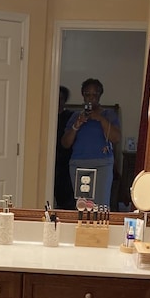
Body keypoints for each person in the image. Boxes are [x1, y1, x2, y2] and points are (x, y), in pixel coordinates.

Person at [61, 77, 121, 207]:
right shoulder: (75, 116)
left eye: (95, 94)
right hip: (79, 164)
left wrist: (99, 118)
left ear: (100, 95)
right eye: (87, 94)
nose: (91, 98)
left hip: (103, 164)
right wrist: (77, 125)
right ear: (83, 95)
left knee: (101, 207)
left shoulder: (108, 115)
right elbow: (65, 143)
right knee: (82, 205)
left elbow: (116, 138)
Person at [53, 85, 75, 209]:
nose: (58, 101)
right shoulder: (48, 116)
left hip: (67, 156)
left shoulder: (70, 116)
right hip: (53, 155)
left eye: (61, 98)